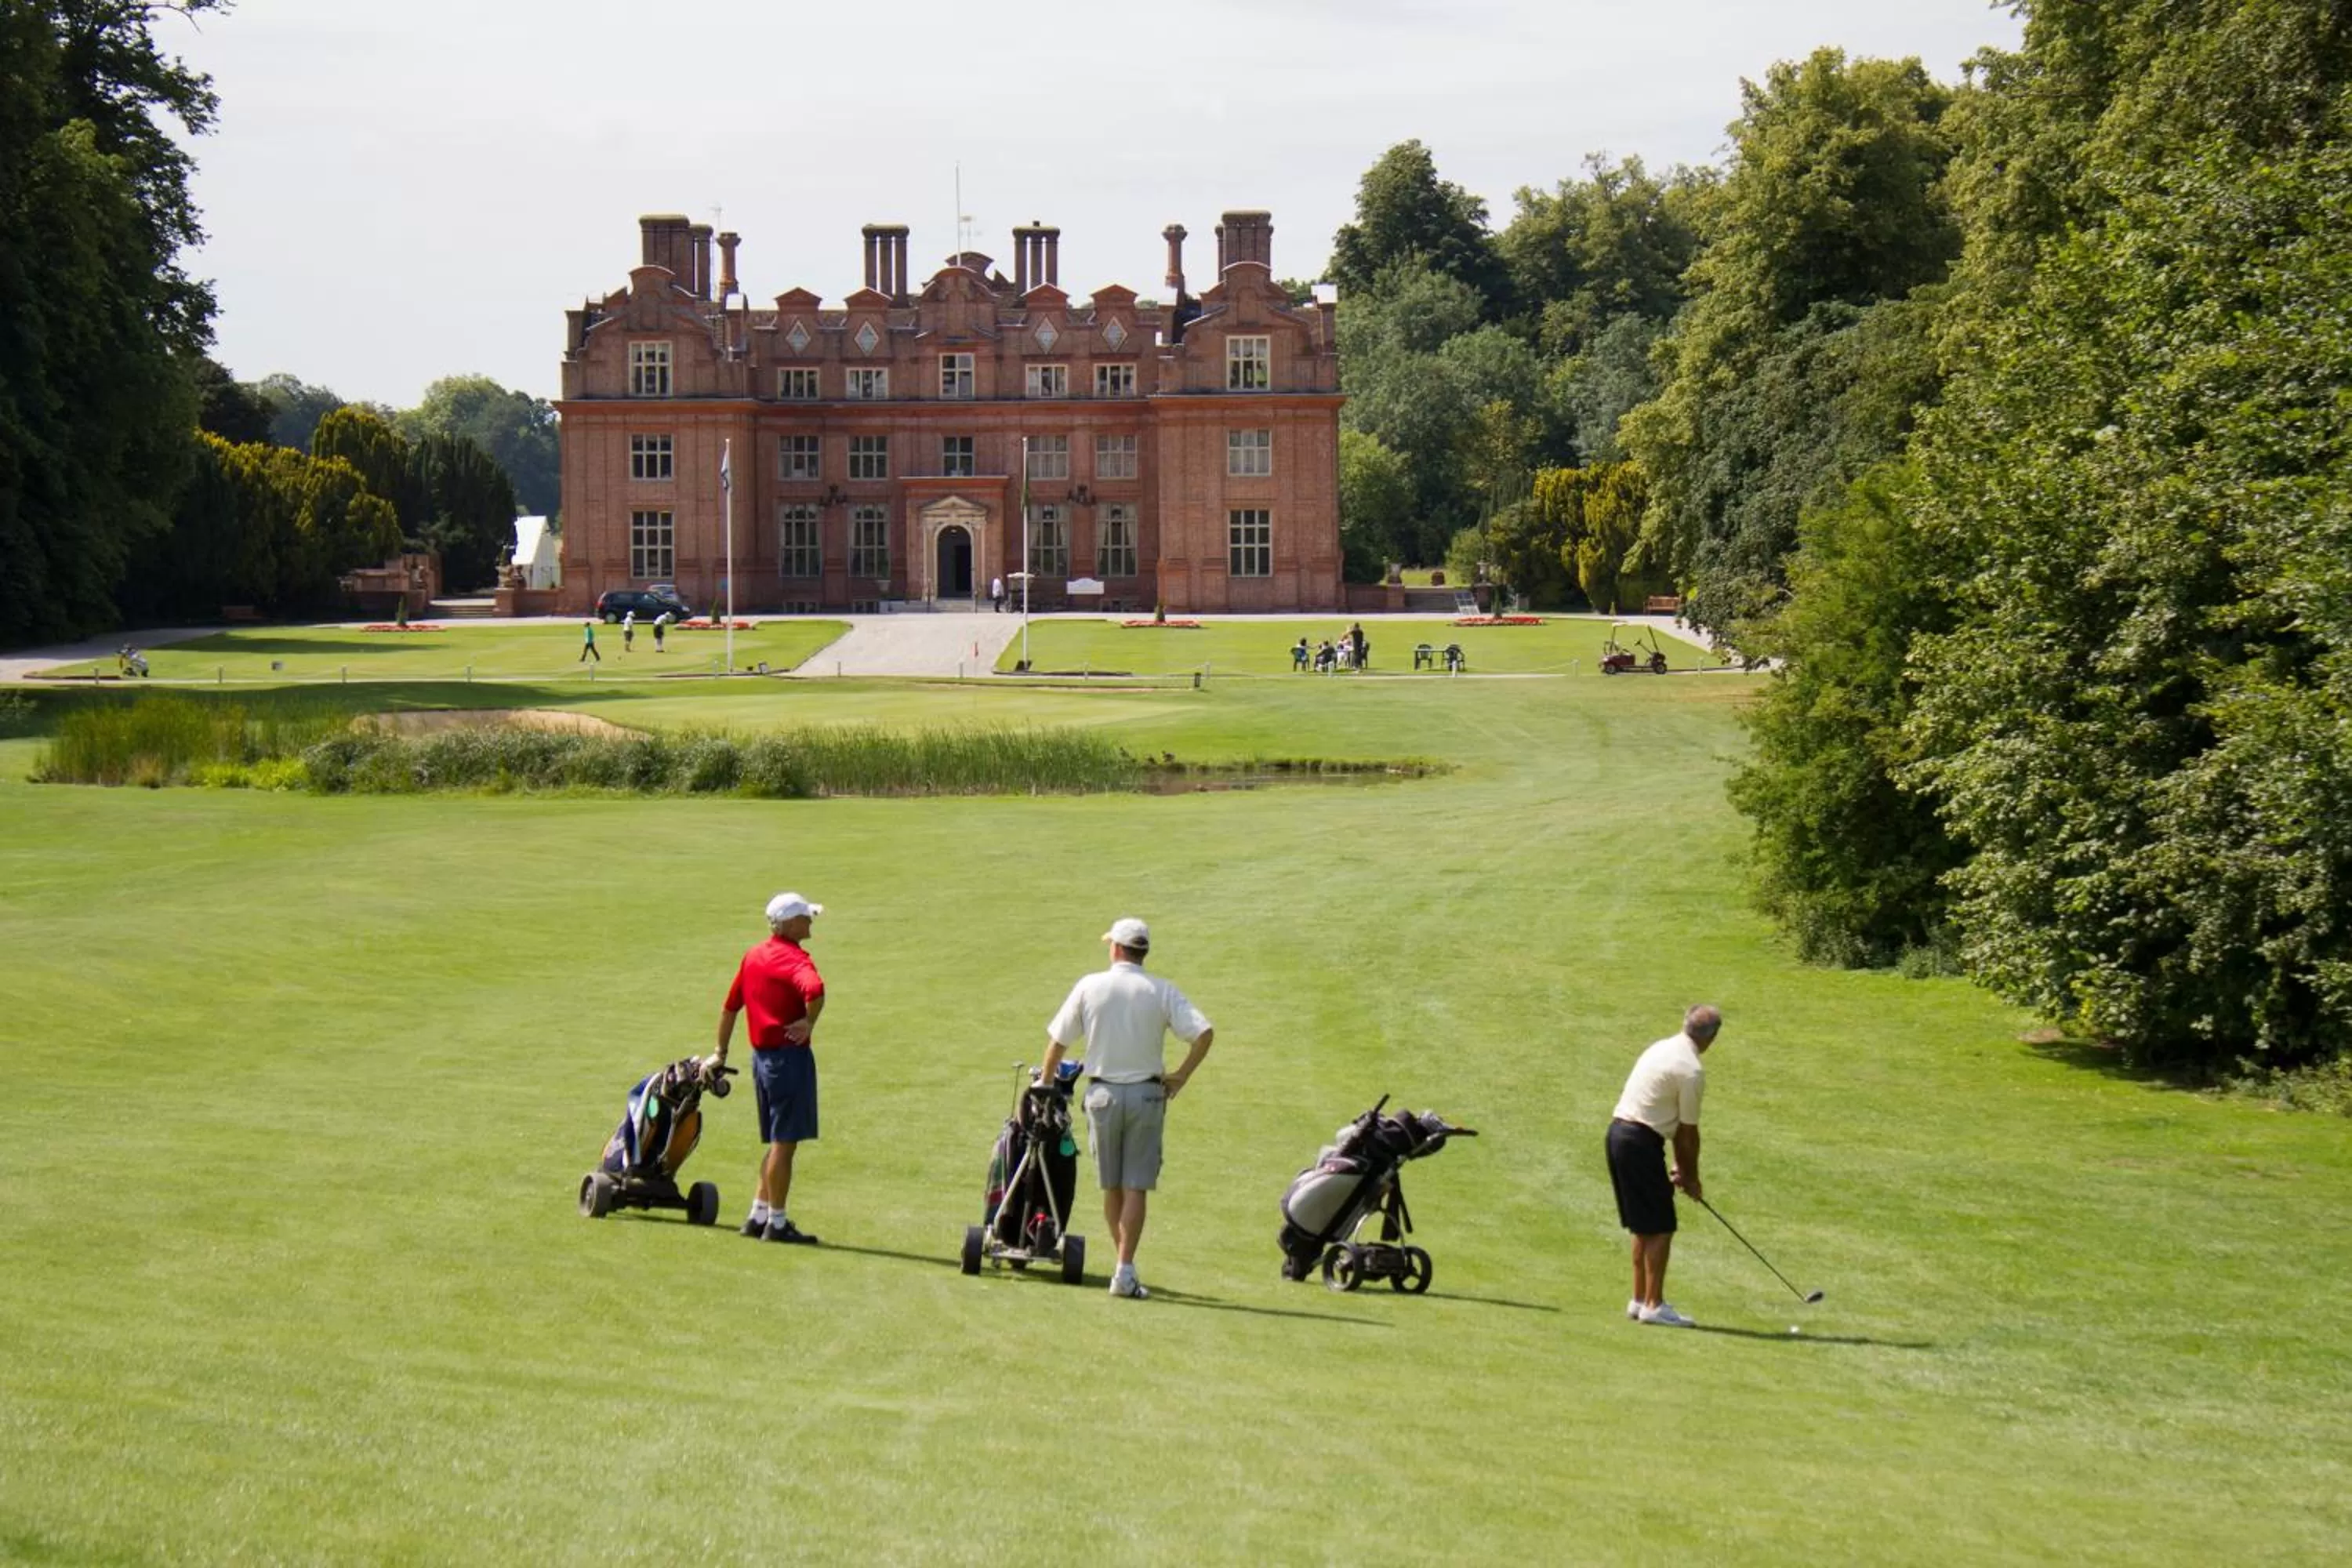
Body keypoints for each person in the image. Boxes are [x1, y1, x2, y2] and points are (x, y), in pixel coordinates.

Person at [1040, 917, 1214, 1300]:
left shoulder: (1090, 986)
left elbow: (1058, 1042)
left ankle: (1124, 1269)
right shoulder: (1161, 990)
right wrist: (1181, 1075)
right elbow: (1204, 1034)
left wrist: (1046, 1083)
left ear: (1116, 948)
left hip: (1102, 1096)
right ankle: (1125, 1269)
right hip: (1147, 1096)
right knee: (1136, 1186)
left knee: (1112, 1185)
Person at [713, 892, 829, 1245]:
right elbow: (816, 989)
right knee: (785, 1143)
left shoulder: (754, 956)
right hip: (788, 1061)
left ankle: (758, 1214)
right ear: (790, 924)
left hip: (761, 1060)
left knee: (778, 1142)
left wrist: (720, 1050)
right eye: (806, 917)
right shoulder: (794, 960)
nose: (811, 922)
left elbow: (731, 1006)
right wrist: (808, 1022)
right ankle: (776, 1224)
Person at [1605, 1005, 1722, 1327]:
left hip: (1618, 1134)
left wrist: (1678, 1167)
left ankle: (1640, 1299)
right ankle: (1654, 1305)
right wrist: (1691, 1177)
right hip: (1640, 1142)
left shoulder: (1662, 1046)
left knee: (1644, 1225)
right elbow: (1688, 1133)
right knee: (1661, 1225)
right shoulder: (1692, 1070)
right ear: (1712, 1038)